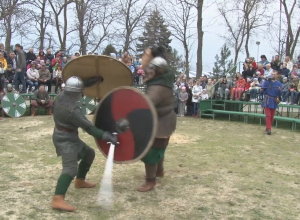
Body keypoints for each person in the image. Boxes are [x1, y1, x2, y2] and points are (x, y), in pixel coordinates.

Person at [51, 76, 118, 211]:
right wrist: (106, 136)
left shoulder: (62, 95)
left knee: (89, 154)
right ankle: (57, 199)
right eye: (80, 92)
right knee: (70, 169)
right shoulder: (72, 111)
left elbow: (80, 85)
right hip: (64, 139)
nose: (81, 94)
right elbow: (89, 128)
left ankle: (80, 181)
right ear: (75, 93)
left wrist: (94, 80)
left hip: (69, 135)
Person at [138, 49, 176, 192]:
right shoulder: (164, 83)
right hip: (166, 120)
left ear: (157, 71)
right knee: (160, 148)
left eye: (151, 69)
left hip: (161, 123)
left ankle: (150, 181)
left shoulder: (157, 88)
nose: (148, 71)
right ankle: (159, 171)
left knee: (151, 152)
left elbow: (146, 105)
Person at [261, 70, 282, 135]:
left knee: (272, 116)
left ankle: (268, 127)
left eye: (274, 74)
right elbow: (263, 89)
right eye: (272, 74)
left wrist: (279, 90)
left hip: (274, 100)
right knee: (268, 115)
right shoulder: (267, 81)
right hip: (267, 99)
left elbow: (280, 93)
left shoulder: (279, 83)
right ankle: (269, 129)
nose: (273, 75)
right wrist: (262, 88)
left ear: (277, 75)